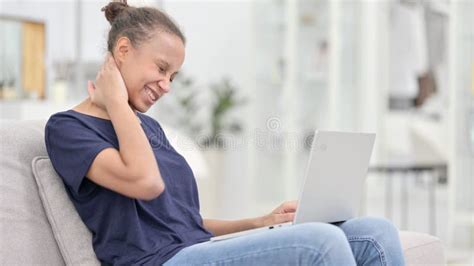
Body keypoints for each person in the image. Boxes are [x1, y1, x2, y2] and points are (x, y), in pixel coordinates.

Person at [45, 1, 406, 265]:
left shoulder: (146, 127)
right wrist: (118, 104)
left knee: (376, 232)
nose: (167, 85)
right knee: (321, 242)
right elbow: (146, 183)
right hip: (157, 262)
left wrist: (259, 221)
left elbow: (182, 220)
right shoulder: (67, 129)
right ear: (122, 51)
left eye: (173, 76)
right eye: (161, 68)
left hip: (194, 250)